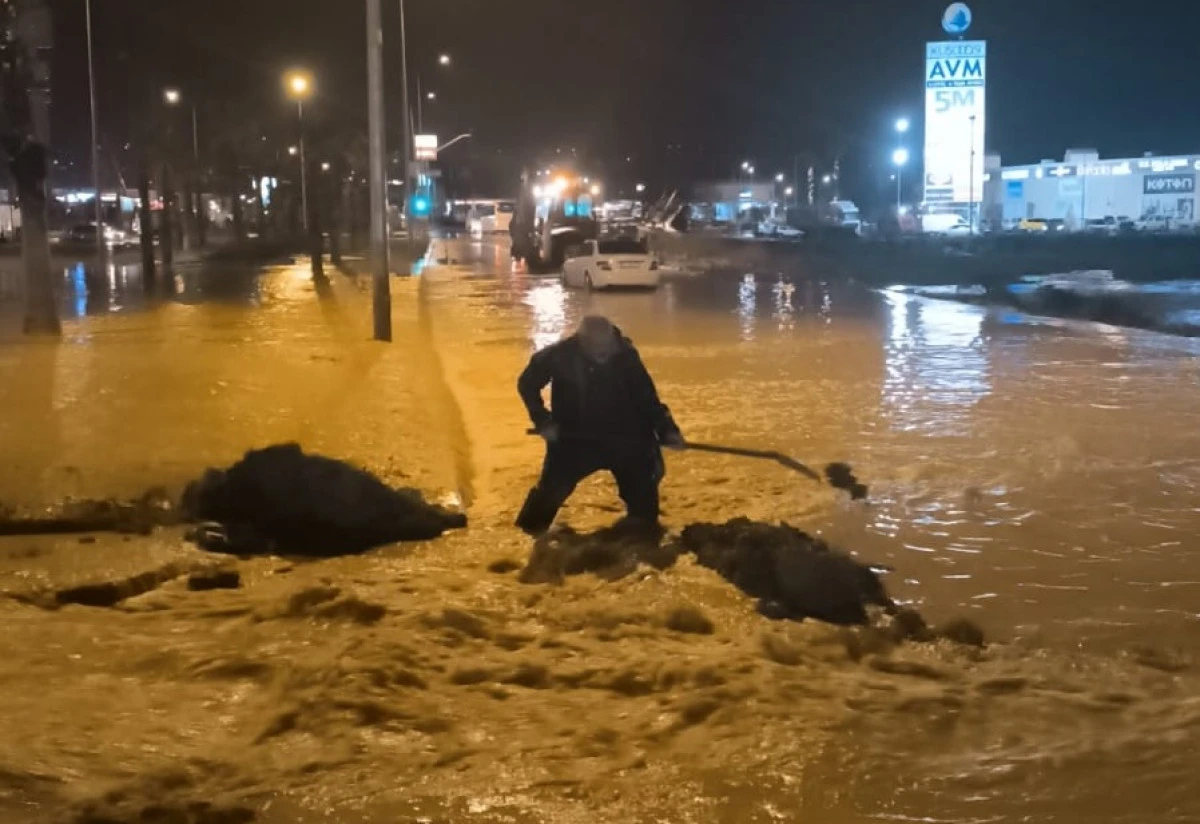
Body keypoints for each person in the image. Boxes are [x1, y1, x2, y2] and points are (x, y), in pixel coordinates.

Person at [516, 315, 685, 536]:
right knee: (548, 495)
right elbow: (527, 383)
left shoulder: (626, 356)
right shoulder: (559, 355)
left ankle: (640, 542)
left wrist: (668, 430)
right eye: (596, 348)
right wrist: (543, 420)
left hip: (626, 438)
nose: (603, 353)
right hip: (575, 437)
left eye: (607, 346)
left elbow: (648, 399)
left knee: (644, 510)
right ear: (581, 343)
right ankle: (527, 540)